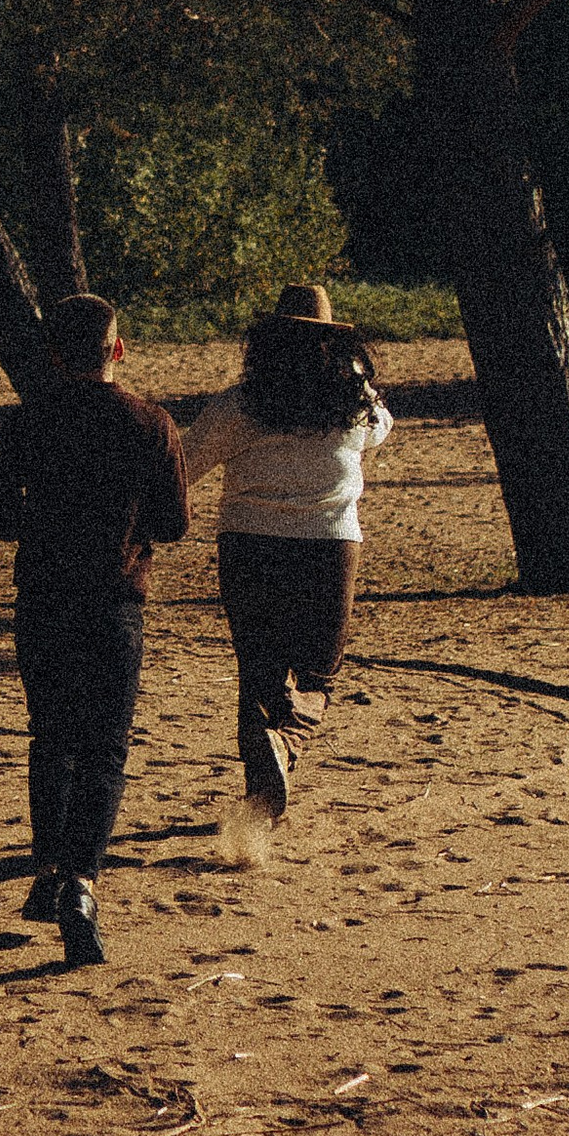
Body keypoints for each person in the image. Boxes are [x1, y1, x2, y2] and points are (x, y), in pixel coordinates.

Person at [0, 292, 189, 970]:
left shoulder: (31, 420)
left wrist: (31, 530)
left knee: (51, 738)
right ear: (116, 349)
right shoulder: (150, 424)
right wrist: (133, 536)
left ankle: (47, 870)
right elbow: (175, 521)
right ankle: (83, 881)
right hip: (114, 600)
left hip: (43, 596)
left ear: (56, 354)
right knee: (106, 747)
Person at [179, 283, 392, 821]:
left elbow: (182, 468)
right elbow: (382, 429)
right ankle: (287, 744)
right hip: (329, 545)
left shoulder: (240, 406)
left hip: (249, 545)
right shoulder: (354, 404)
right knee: (319, 673)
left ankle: (260, 791)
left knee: (260, 670)